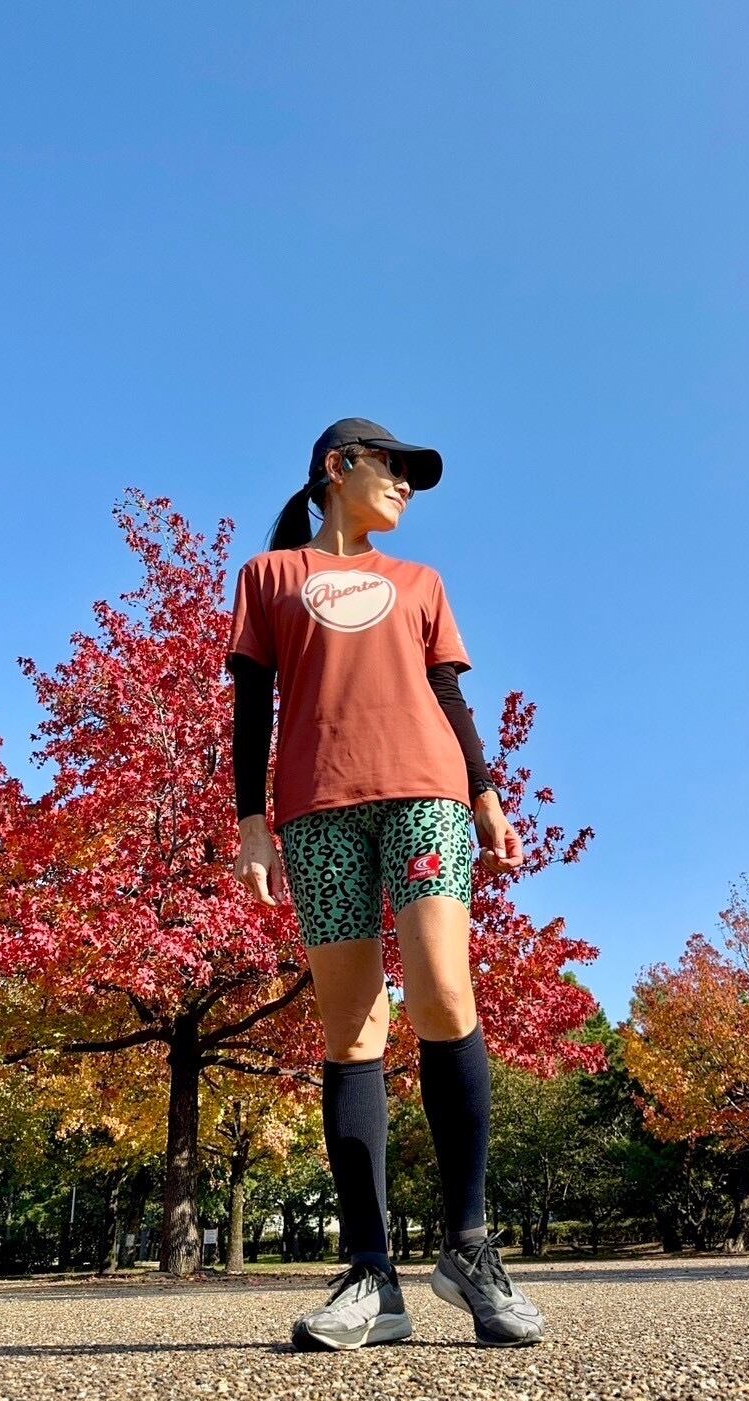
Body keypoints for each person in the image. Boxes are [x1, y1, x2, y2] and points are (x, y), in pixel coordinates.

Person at [226, 417, 545, 1351]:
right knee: (352, 1026)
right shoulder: (270, 576)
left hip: (428, 795)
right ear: (339, 467)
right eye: (392, 466)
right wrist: (252, 824)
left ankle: (470, 1249)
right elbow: (251, 704)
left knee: (444, 993)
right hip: (316, 807)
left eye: (412, 473)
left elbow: (450, 694)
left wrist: (486, 795)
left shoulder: (421, 582)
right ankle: (372, 1276)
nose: (405, 483)